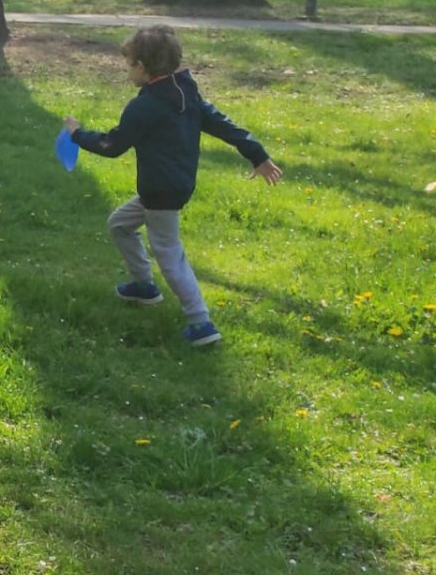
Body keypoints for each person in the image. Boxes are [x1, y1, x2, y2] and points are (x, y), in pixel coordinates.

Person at [62, 26, 282, 348]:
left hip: (160, 191)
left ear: (142, 67)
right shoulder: (186, 95)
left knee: (168, 253)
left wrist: (77, 134)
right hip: (173, 185)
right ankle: (144, 286)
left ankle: (200, 322)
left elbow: (112, 145)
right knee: (119, 225)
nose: (127, 73)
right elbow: (225, 126)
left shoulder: (144, 106)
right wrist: (258, 155)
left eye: (129, 66)